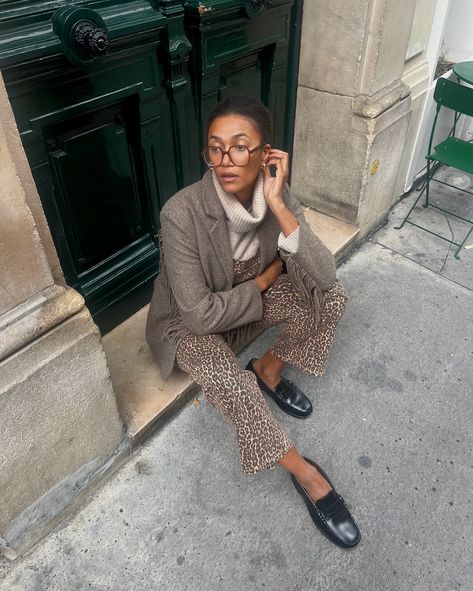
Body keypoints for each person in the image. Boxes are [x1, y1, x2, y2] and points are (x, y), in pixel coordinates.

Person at [146, 95, 361, 549]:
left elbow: (325, 276)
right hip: (189, 327)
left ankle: (269, 368)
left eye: (241, 146)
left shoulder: (276, 195)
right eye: (216, 148)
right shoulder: (181, 212)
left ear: (267, 154)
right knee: (230, 383)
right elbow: (199, 315)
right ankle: (307, 474)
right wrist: (264, 281)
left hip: (238, 310)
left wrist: (280, 207)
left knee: (331, 299)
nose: (226, 160)